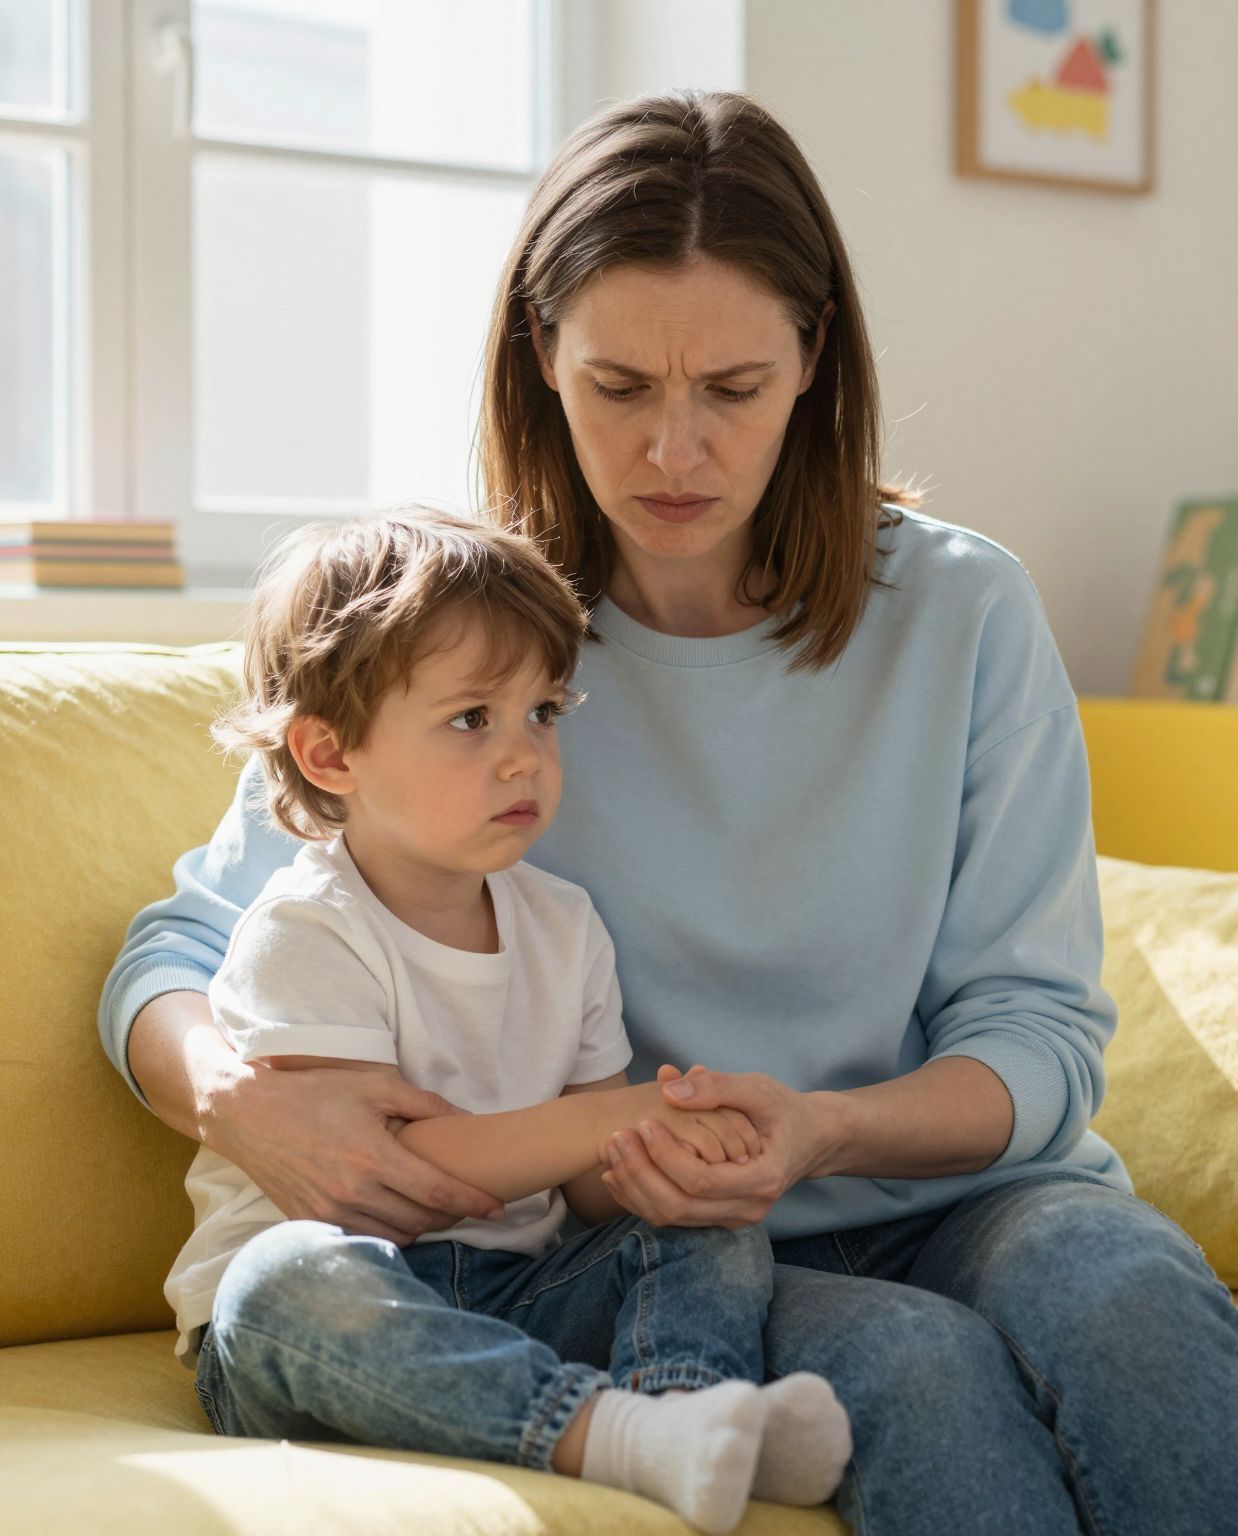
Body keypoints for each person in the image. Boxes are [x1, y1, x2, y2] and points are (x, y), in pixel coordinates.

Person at [101, 90, 1238, 1535]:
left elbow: (1039, 1042)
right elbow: (175, 953)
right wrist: (246, 1103)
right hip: (678, 1251)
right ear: (540, 358)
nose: (674, 451)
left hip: (973, 1194)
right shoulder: (465, 646)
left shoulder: (962, 609)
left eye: (732, 390)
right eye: (620, 386)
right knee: (917, 1368)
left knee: (1132, 1296)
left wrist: (823, 1129)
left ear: (814, 360)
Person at [170, 508, 851, 1534]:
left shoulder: (564, 926)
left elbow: (583, 1183)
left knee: (710, 1231)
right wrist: (605, 1117)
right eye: (469, 720)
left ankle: (685, 1422)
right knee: (283, 1278)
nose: (523, 757)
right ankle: (606, 1435)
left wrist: (663, 1145)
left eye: (543, 712)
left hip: (515, 1293)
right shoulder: (307, 933)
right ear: (329, 754)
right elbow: (389, 1178)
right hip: (332, 1317)